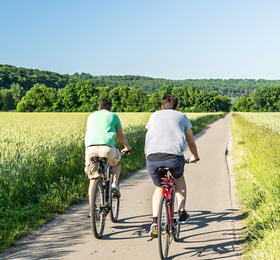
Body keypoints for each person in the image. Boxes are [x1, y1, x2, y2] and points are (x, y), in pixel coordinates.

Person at [144, 94, 199, 236]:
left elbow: (149, 137)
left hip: (152, 157)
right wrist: (195, 156)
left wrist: (148, 156)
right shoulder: (182, 116)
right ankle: (181, 213)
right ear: (177, 107)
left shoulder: (154, 116)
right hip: (174, 158)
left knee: (159, 188)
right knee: (179, 179)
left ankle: (155, 222)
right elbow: (190, 141)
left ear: (162, 107)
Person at [85, 98, 132, 198]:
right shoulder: (113, 116)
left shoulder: (91, 116)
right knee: (117, 162)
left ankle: (92, 210)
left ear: (99, 108)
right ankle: (114, 184)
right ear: (110, 109)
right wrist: (127, 147)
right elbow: (121, 136)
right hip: (107, 149)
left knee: (93, 179)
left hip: (90, 150)